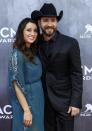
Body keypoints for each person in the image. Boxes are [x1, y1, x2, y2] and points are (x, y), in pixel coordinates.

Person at [31, 3, 83, 131]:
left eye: (53, 20)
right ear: (39, 22)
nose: (50, 24)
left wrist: (75, 103)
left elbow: (76, 73)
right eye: (46, 20)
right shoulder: (33, 44)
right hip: (43, 103)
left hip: (65, 103)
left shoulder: (70, 43)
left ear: (57, 22)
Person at [8, 18, 44, 131]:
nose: (32, 34)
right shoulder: (17, 54)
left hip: (37, 98)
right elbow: (16, 85)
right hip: (27, 101)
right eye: (28, 30)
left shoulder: (32, 51)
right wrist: (27, 111)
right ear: (21, 32)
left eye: (35, 30)